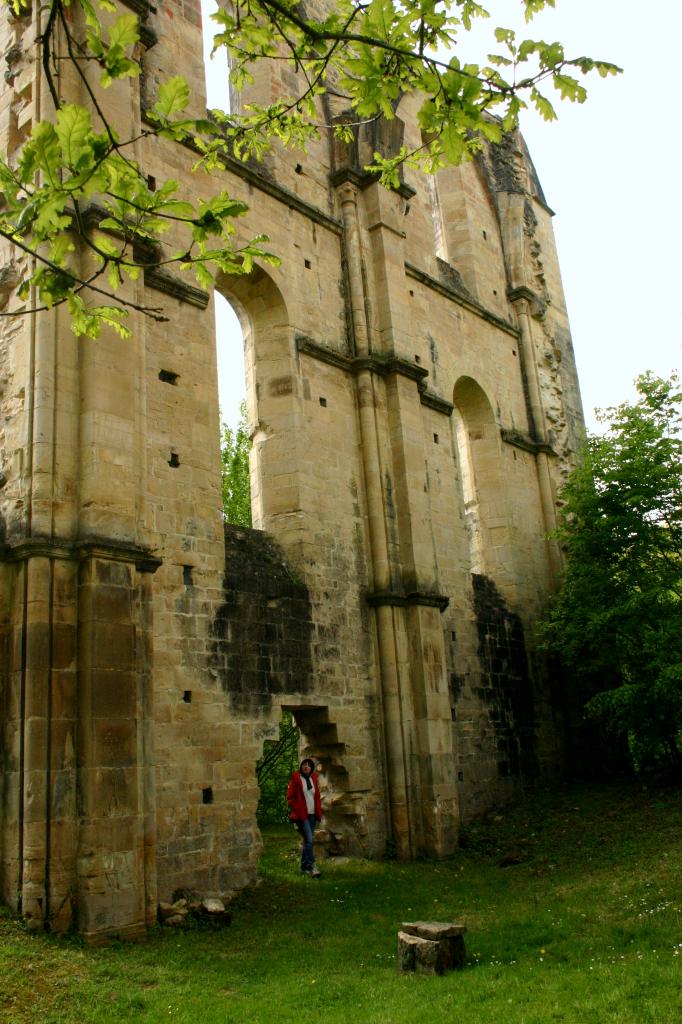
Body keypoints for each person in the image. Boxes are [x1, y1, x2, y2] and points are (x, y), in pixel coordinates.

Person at [287, 758, 323, 878]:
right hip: (302, 815)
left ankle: (303, 867)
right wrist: (297, 807)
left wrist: (318, 810)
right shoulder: (296, 779)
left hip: (312, 814)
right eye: (304, 765)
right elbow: (290, 798)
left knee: (308, 840)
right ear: (301, 767)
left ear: (311, 768)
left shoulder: (313, 779)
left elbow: (316, 796)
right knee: (309, 840)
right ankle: (313, 866)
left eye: (308, 765)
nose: (306, 767)